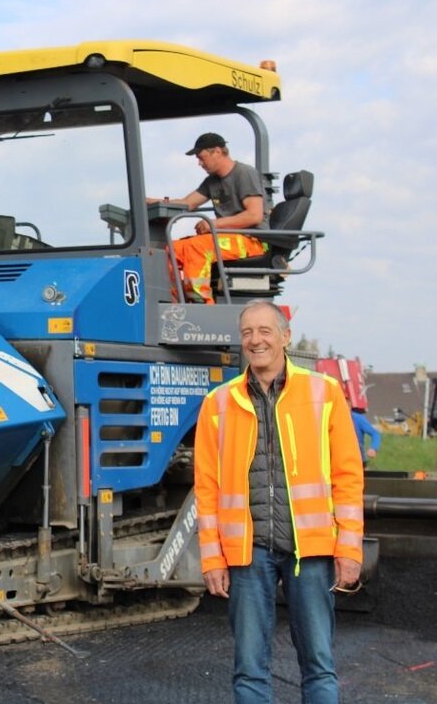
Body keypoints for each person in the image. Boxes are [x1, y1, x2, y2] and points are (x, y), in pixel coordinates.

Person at [194, 300, 364, 703]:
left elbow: (347, 476)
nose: (256, 340)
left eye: (265, 331)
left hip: (313, 552)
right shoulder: (217, 403)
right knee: (250, 669)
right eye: (248, 332)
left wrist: (350, 547)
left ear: (285, 337)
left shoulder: (324, 393)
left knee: (319, 665)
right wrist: (212, 558)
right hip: (248, 555)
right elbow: (207, 488)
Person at [149, 133, 269, 303]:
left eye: (201, 158)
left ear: (217, 152)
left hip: (252, 239)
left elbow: (254, 215)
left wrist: (213, 224)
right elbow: (186, 203)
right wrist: (151, 201)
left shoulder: (244, 173)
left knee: (196, 247)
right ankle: (175, 302)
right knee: (170, 250)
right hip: (225, 237)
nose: (199, 163)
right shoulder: (212, 181)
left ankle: (202, 305)